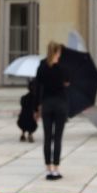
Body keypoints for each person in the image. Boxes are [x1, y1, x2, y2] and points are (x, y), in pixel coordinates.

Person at [35, 41, 69, 180]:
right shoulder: (63, 67)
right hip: (60, 104)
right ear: (57, 52)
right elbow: (67, 82)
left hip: (47, 104)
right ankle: (56, 168)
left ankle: (48, 168)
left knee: (47, 137)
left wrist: (37, 106)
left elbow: (37, 87)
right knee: (58, 137)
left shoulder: (42, 66)